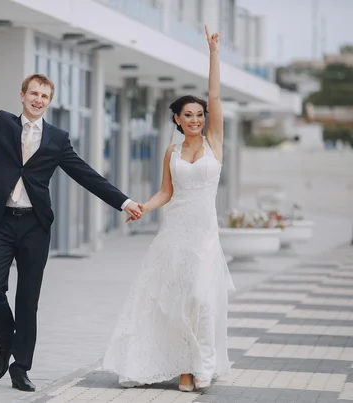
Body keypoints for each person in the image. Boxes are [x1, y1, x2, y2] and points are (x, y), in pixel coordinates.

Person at [0, 53, 143, 392]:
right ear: (22, 96)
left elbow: (86, 175)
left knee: (28, 300)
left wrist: (124, 201)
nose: (38, 99)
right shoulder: (2, 124)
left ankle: (21, 367)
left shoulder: (57, 139)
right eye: (33, 93)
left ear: (49, 102)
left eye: (44, 96)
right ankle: (6, 341)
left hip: (35, 226)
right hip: (1, 222)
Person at [102, 25, 235, 392]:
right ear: (177, 119)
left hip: (204, 234)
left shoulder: (214, 144)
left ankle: (203, 364)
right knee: (174, 301)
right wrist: (143, 205)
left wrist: (213, 54)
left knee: (200, 298)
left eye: (199, 115)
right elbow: (166, 191)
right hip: (175, 233)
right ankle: (185, 368)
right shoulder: (171, 152)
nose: (195, 120)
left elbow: (215, 94)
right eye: (187, 115)